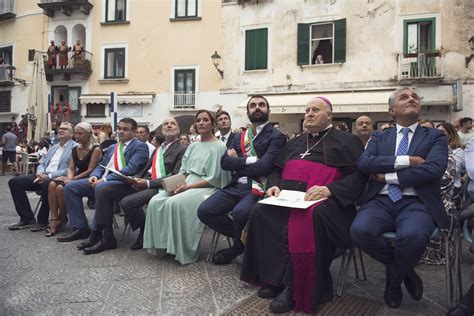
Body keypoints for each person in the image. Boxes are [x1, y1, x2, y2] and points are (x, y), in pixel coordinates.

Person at [240, 97, 366, 314]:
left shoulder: (348, 141)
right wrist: (274, 187)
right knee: (261, 211)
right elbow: (277, 170)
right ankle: (274, 278)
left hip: (328, 203)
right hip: (289, 198)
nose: (309, 114)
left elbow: (359, 177)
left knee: (311, 217)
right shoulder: (295, 142)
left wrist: (331, 190)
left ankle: (294, 286)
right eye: (307, 110)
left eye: (315, 110)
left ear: (329, 115)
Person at [350, 87, 449, 309]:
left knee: (412, 237)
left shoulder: (435, 136)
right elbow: (365, 164)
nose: (411, 98)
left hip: (417, 202)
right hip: (380, 201)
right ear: (392, 110)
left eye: (415, 96)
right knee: (359, 232)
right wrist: (408, 161)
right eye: (404, 97)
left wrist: (388, 175)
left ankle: (393, 281)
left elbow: (434, 169)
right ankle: (404, 269)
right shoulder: (379, 136)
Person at [198, 96, 286, 265]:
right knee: (205, 211)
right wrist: (251, 160)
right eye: (253, 106)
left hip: (258, 185)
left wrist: (237, 162)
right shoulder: (239, 136)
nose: (257, 108)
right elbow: (224, 163)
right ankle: (246, 241)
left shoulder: (277, 136)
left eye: (261, 105)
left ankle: (237, 247)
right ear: (247, 112)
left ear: (269, 111)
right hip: (235, 185)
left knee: (240, 213)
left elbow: (265, 167)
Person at [143, 110, 231, 265]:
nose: (202, 123)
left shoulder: (219, 147)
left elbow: (214, 179)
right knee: (155, 201)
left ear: (213, 124)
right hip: (186, 182)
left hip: (207, 187)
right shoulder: (192, 146)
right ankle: (163, 245)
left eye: (205, 120)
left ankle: (182, 249)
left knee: (174, 203)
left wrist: (187, 187)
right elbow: (183, 170)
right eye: (199, 120)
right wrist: (174, 183)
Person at [90, 118, 187, 251]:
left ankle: (144, 231)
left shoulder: (183, 149)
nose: (169, 125)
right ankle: (106, 236)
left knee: (127, 203)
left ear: (178, 129)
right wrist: (133, 178)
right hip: (141, 183)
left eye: (172, 123)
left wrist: (147, 183)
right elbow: (145, 169)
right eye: (165, 124)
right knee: (104, 189)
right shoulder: (159, 148)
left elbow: (176, 176)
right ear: (162, 130)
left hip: (159, 187)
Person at [57, 118, 148, 252]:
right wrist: (95, 175)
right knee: (71, 187)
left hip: (126, 185)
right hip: (103, 182)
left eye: (126, 129)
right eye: (119, 128)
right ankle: (81, 227)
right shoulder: (113, 147)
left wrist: (104, 180)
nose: (121, 131)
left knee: (102, 188)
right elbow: (101, 166)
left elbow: (130, 169)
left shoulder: (140, 146)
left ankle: (101, 235)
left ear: (134, 132)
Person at [7, 122, 76, 231]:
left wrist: (48, 176)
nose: (61, 130)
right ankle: (27, 218)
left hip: (57, 178)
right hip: (42, 174)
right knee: (14, 182)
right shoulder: (53, 147)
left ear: (72, 134)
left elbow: (71, 169)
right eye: (60, 128)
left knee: (47, 185)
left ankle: (42, 220)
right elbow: (42, 162)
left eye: (65, 129)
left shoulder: (75, 148)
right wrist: (40, 173)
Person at [45, 122, 102, 237]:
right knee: (52, 185)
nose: (77, 136)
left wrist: (71, 180)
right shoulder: (75, 148)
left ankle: (62, 218)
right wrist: (69, 178)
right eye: (76, 133)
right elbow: (71, 168)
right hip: (75, 176)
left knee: (61, 188)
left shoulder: (96, 148)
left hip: (90, 177)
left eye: (80, 134)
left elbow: (90, 170)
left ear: (89, 134)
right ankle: (54, 219)